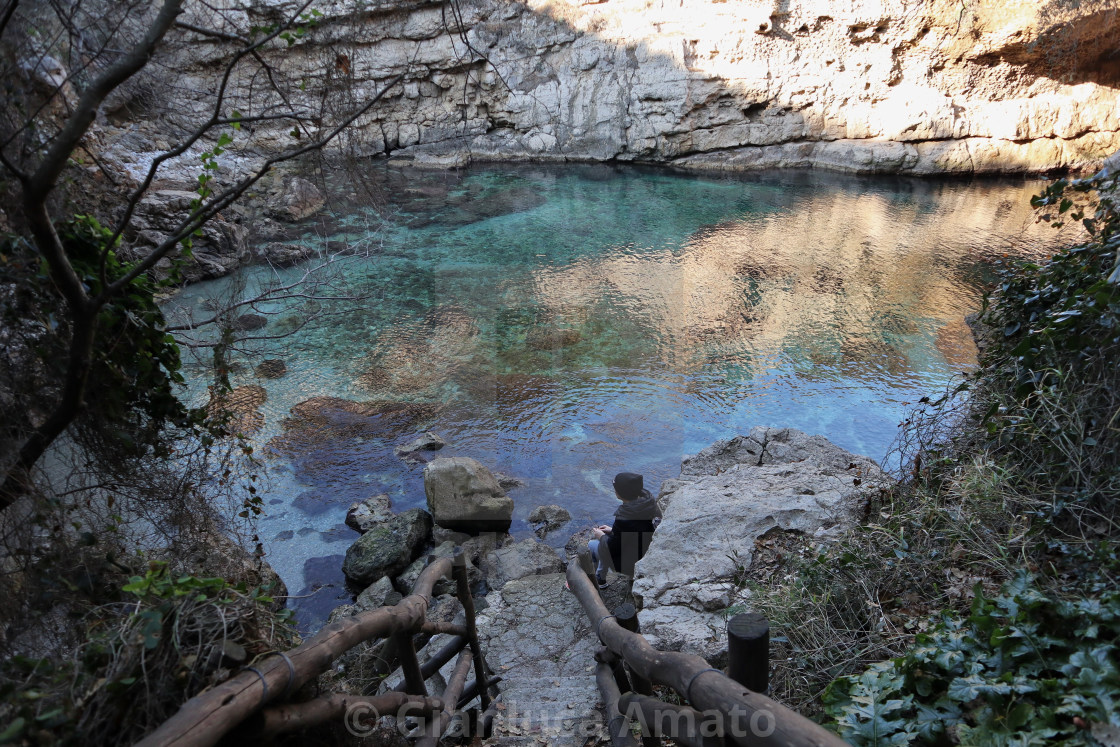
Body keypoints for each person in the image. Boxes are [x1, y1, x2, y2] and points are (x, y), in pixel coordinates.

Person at [588, 472, 662, 589]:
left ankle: (599, 579)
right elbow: (638, 530)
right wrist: (613, 530)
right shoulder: (649, 504)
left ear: (621, 493)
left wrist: (601, 535)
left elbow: (612, 547)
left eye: (616, 489)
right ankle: (631, 577)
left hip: (632, 562)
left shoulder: (625, 517)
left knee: (592, 545)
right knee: (606, 539)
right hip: (648, 553)